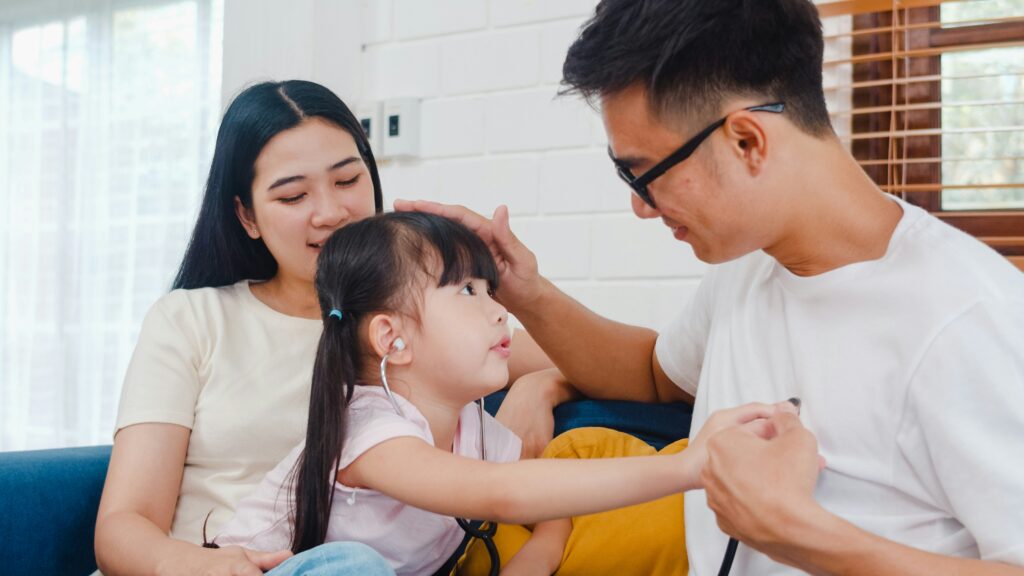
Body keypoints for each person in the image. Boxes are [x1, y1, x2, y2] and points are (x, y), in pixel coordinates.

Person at [397, 0, 1024, 574]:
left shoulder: (964, 318)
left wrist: (800, 534)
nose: (642, 208)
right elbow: (650, 374)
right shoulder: (751, 266)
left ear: (747, 140)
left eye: (643, 174)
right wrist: (523, 290)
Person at [92, 80, 554, 576]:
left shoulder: (415, 328)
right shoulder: (191, 320)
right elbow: (124, 525)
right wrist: (187, 565)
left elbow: (583, 366)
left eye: (348, 180)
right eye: (293, 196)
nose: (332, 213)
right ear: (246, 216)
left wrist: (539, 388)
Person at [213, 211, 792, 575]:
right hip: (264, 569)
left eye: (491, 290)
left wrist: (539, 556)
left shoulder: (472, 427)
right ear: (392, 338)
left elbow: (546, 497)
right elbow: (503, 494)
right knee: (354, 566)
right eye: (467, 291)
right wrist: (691, 467)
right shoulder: (371, 429)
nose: (498, 313)